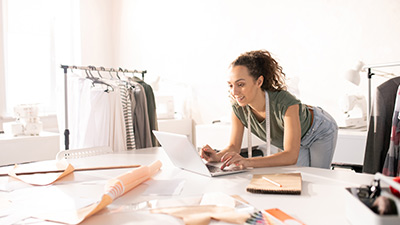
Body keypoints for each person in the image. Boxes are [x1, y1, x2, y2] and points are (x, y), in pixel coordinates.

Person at [200, 50, 338, 169]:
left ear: (259, 82)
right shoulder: (238, 108)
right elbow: (234, 146)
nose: (234, 92)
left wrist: (247, 162)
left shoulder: (286, 103)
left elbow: (290, 156)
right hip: (297, 141)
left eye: (240, 84)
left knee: (318, 178)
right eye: (230, 85)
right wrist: (216, 157)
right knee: (300, 179)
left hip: (319, 130)